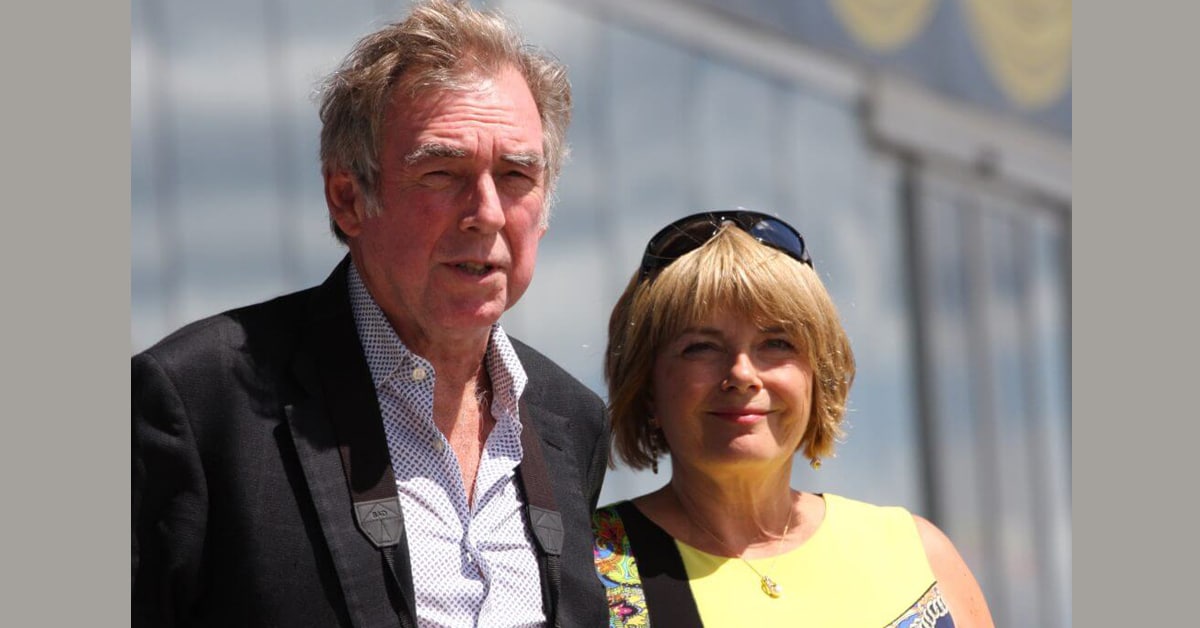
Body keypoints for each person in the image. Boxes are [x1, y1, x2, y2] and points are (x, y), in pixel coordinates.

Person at [132, 1, 610, 626]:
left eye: (517, 174)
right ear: (348, 198)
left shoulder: (570, 422)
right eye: (443, 173)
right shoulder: (198, 400)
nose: (488, 211)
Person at [592, 210, 993, 627]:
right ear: (647, 385)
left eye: (777, 343)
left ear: (817, 377)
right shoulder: (588, 569)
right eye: (701, 348)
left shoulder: (919, 554)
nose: (742, 374)